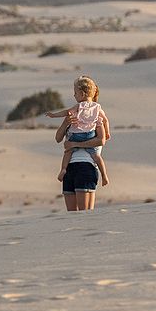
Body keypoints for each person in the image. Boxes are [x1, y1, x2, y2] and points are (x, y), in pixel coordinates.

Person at [46, 75, 110, 211]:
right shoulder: (75, 114)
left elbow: (101, 140)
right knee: (72, 216)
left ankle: (104, 176)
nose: (74, 95)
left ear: (82, 93)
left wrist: (75, 144)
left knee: (84, 214)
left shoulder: (96, 114)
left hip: (87, 167)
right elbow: (58, 138)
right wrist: (65, 123)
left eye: (75, 93)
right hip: (70, 168)